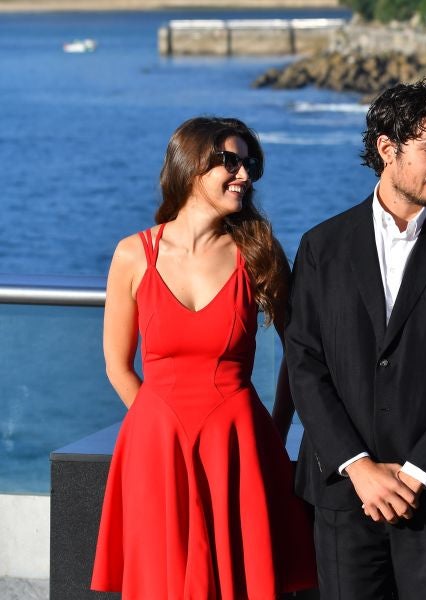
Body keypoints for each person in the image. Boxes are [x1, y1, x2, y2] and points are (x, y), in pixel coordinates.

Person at [284, 79, 426, 599]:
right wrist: (357, 466)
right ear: (388, 148)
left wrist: (417, 472)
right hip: (345, 491)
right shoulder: (322, 246)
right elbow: (304, 362)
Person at [91, 116, 317, 598]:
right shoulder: (134, 254)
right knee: (162, 580)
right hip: (155, 447)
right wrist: (157, 424)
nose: (245, 175)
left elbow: (301, 353)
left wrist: (273, 432)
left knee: (241, 580)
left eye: (250, 164)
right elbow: (116, 364)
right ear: (191, 167)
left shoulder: (258, 252)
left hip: (239, 444)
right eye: (230, 162)